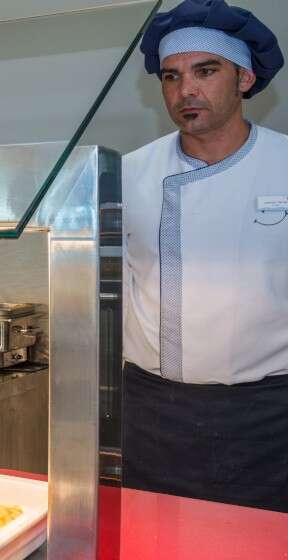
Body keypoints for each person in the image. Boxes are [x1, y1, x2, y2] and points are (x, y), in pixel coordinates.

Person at [122, 0, 288, 513]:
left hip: (268, 413)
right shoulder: (126, 174)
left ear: (245, 78)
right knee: (154, 543)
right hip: (152, 410)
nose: (185, 90)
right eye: (171, 77)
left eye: (206, 71)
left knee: (259, 551)